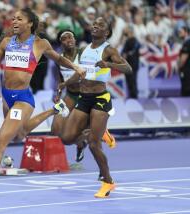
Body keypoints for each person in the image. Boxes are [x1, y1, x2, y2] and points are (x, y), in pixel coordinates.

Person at [0, 8, 85, 209]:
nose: (14, 21)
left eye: (19, 19)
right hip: (6, 97)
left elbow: (58, 59)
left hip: (23, 100)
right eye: (13, 18)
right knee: (20, 134)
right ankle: (54, 110)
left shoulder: (40, 44)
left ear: (30, 23)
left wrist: (75, 67)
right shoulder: (7, 41)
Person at [58, 17, 132, 198]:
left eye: (100, 25)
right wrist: (65, 83)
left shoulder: (108, 50)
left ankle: (108, 182)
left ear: (106, 32)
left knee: (93, 144)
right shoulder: (83, 50)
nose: (95, 26)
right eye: (94, 24)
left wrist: (109, 64)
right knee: (66, 137)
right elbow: (81, 73)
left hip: (100, 99)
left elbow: (128, 68)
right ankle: (100, 132)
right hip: (84, 98)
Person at [52, 29, 116, 164]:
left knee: (92, 134)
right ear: (61, 42)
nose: (69, 40)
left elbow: (89, 72)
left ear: (75, 40)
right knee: (56, 130)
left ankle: (101, 166)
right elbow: (60, 79)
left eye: (71, 37)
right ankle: (80, 143)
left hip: (85, 95)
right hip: (70, 96)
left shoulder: (83, 54)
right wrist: (58, 94)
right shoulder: (59, 59)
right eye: (65, 38)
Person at [178, 26, 190, 96]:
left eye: (181, 32)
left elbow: (183, 59)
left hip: (187, 70)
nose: (179, 34)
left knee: (186, 89)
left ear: (186, 33)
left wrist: (179, 67)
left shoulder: (187, 43)